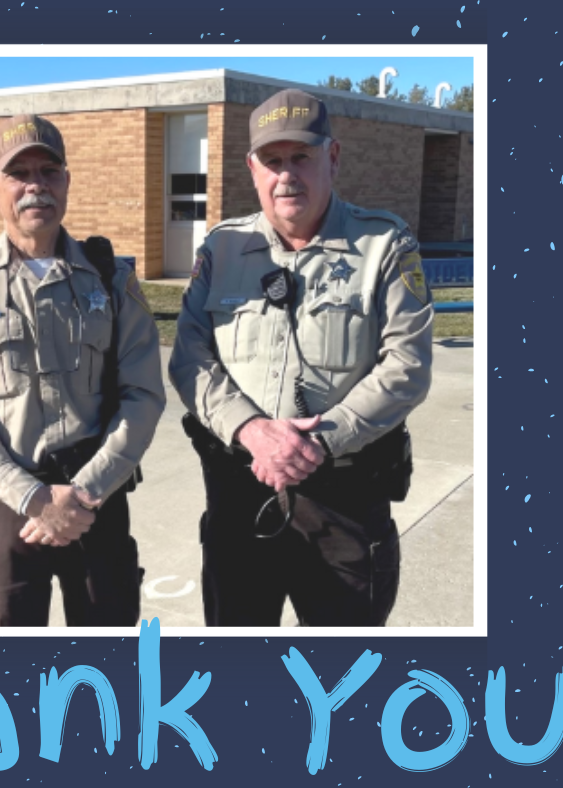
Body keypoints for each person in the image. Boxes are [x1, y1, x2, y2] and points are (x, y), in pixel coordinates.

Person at [169, 89, 433, 627]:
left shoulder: (384, 244)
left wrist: (315, 442)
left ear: (332, 158)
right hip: (241, 498)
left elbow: (407, 365)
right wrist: (249, 430)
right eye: (272, 161)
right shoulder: (221, 249)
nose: (285, 175)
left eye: (301, 157)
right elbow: (189, 353)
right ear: (253, 169)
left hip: (345, 507)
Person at [0, 113, 165, 627]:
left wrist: (84, 492)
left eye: (48, 171)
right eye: (19, 173)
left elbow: (143, 393)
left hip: (95, 498)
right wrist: (33, 498)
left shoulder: (111, 278)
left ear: (66, 182)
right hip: (1, 499)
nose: (36, 185)